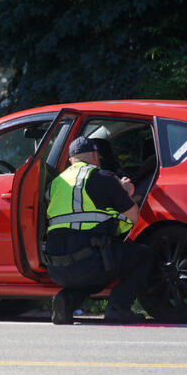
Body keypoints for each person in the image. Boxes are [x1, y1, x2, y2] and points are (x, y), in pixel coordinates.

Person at [45, 136, 155, 324]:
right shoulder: (103, 177)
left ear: (71, 160)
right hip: (89, 262)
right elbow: (134, 216)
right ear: (96, 156)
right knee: (144, 257)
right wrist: (126, 192)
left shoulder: (54, 184)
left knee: (96, 264)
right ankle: (118, 308)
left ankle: (67, 300)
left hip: (55, 267)